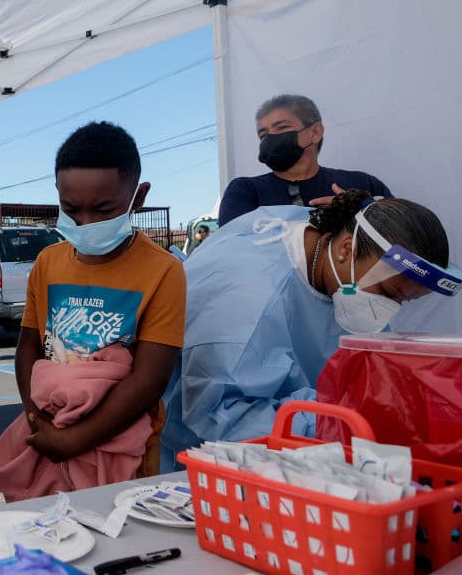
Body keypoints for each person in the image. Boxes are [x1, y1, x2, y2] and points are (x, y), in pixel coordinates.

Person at [161, 190, 459, 472]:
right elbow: (221, 419)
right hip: (205, 467)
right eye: (387, 293)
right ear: (346, 248)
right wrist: (342, 422)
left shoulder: (326, 241)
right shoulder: (249, 301)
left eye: (403, 300)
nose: (388, 309)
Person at [0, 121, 185, 501]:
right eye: (71, 209)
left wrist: (75, 438)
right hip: (49, 437)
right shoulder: (47, 262)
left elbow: (149, 379)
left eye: (103, 209)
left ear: (137, 197)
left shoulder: (164, 270)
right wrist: (37, 419)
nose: (85, 223)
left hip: (123, 452)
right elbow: (28, 347)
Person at [218, 95, 393, 225]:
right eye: (263, 134)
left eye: (282, 127)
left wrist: (363, 210)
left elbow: (406, 240)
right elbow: (234, 253)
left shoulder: (362, 184)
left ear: (315, 132)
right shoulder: (245, 191)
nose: (271, 138)